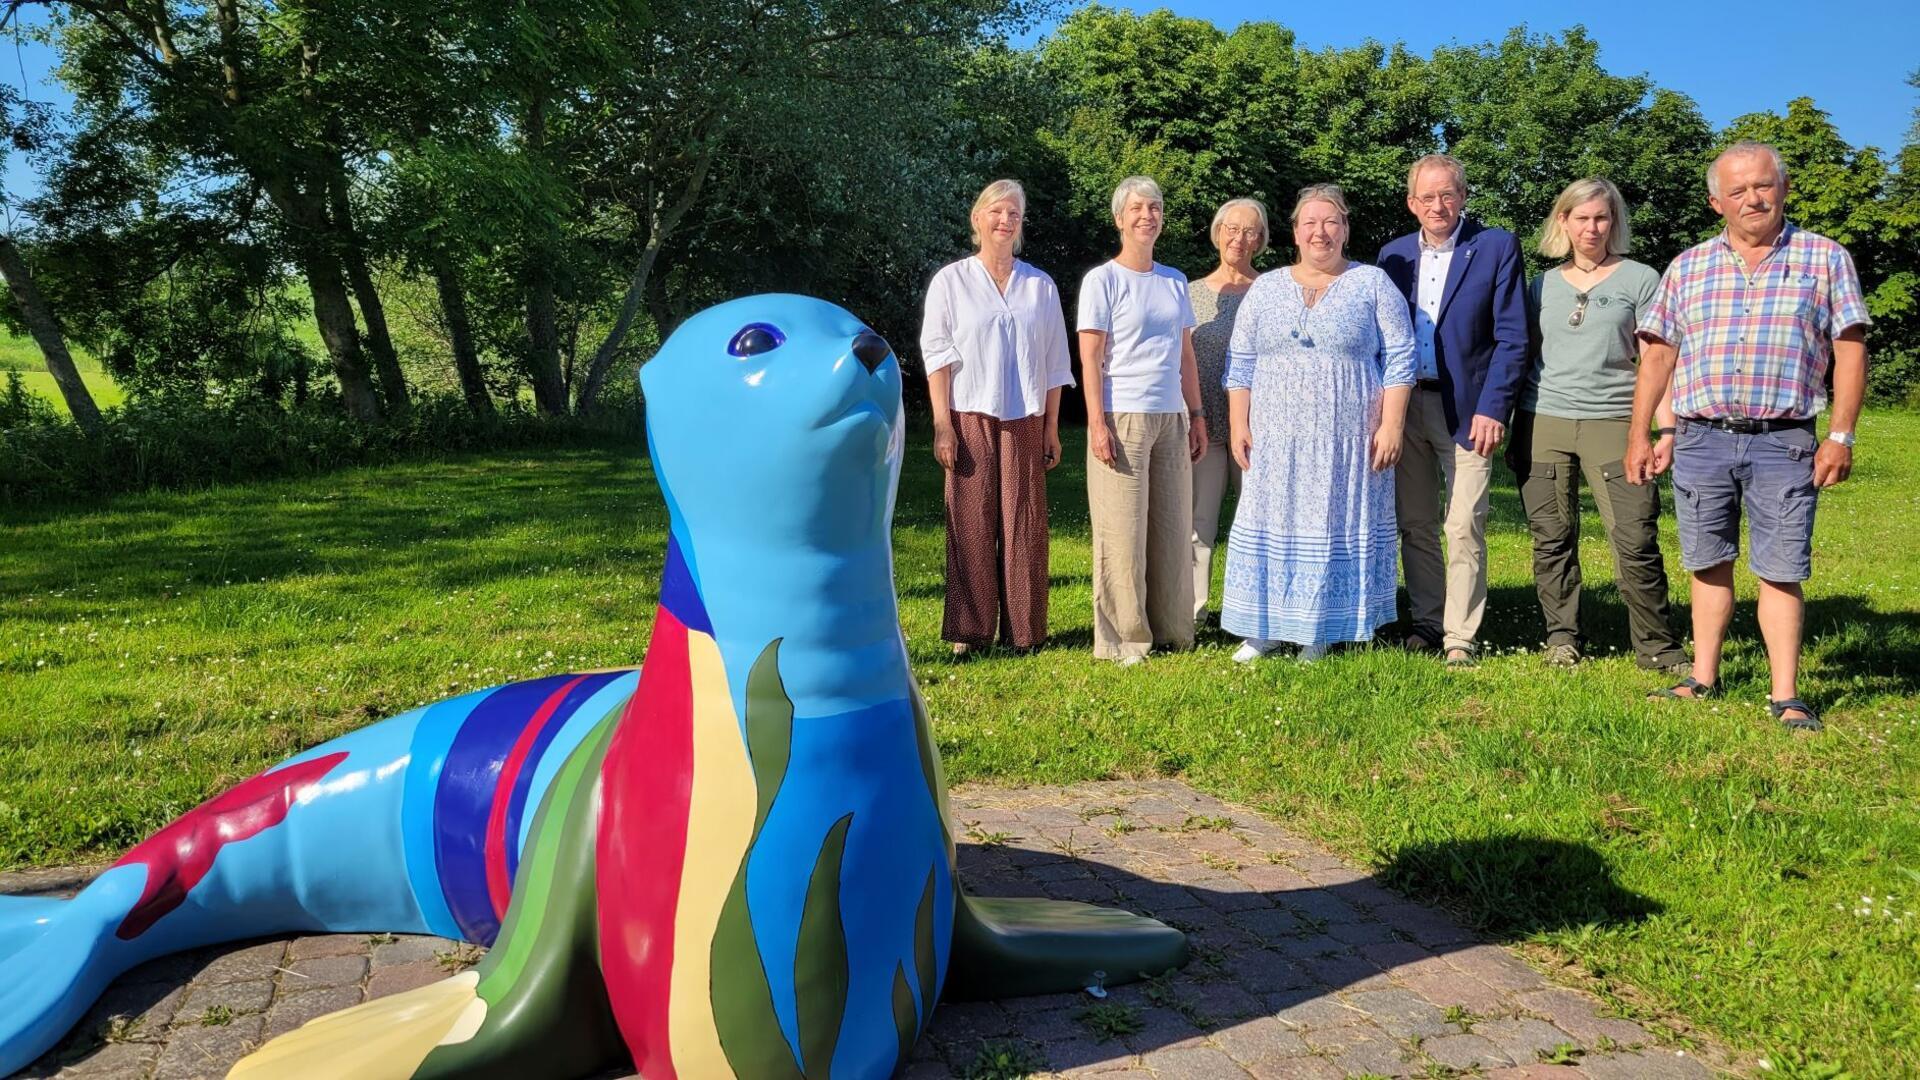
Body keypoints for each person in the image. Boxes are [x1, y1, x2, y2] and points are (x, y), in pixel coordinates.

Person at [1627, 141, 1870, 732]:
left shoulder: (1825, 258)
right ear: (1717, 202)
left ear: (1782, 188)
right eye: (1737, 191)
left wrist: (1841, 435)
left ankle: (1785, 694)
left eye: (1762, 185)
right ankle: (1702, 678)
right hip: (1702, 437)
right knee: (1707, 562)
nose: (1752, 198)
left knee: (1780, 567)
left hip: (1784, 439)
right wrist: (1640, 433)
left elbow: (1850, 348)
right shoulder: (1688, 266)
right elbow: (1658, 356)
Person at [1222, 184, 1415, 662]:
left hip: (1345, 441)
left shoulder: (1371, 283)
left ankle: (1320, 630)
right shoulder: (1266, 288)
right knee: (1268, 522)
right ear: (1294, 232)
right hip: (1276, 439)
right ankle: (1262, 628)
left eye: (1330, 221)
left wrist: (1392, 426)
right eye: (1310, 222)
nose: (1320, 231)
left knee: (1330, 525)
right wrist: (1237, 425)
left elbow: (1401, 358)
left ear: (1345, 229)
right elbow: (1240, 362)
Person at [1510, 178, 1690, 673]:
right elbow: (1521, 352)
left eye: (1601, 218)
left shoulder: (1640, 279)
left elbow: (1660, 360)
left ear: (1615, 222)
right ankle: (1562, 638)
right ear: (1562, 222)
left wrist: (1665, 428)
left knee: (1634, 538)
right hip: (1541, 419)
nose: (1592, 228)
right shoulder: (1541, 285)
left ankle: (1658, 646)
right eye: (1581, 218)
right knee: (1551, 537)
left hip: (1615, 421)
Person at [1378, 153, 1529, 667]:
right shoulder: (1392, 257)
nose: (1437, 205)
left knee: (1463, 522)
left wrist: (1495, 408)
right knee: (1415, 522)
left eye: (1447, 194)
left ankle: (1460, 636)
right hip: (1405, 406)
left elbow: (1512, 337)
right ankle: (1427, 620)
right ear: (1411, 203)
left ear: (1462, 196)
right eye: (1427, 197)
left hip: (1468, 408)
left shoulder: (1495, 246)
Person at [921, 179, 1075, 658]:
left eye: (1014, 214)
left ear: (1021, 224)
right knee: (970, 521)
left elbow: (1054, 360)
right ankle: (969, 632)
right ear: (978, 219)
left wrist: (1051, 426)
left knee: (1023, 524)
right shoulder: (952, 280)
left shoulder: (1039, 285)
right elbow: (936, 355)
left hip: (1026, 417)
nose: (1005, 221)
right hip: (968, 412)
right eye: (996, 212)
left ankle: (1024, 632)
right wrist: (943, 425)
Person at [1078, 175, 1209, 665]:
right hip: (1122, 414)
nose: (1146, 216)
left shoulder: (1174, 280)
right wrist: (1096, 422)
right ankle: (1123, 639)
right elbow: (1089, 359)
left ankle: (1174, 629)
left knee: (1174, 529)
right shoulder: (1103, 280)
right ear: (1119, 218)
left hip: (1171, 415)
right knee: (1122, 532)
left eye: (1154, 207)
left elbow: (1186, 355)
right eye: (1137, 208)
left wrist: (1196, 415)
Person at [1189, 198, 1267, 626]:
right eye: (1232, 229)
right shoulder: (1190, 293)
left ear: (1262, 240)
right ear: (1218, 232)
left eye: (1250, 231)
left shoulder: (1273, 290)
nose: (1240, 238)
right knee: (1199, 523)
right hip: (1203, 424)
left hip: (1258, 427)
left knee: (1254, 524)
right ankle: (1193, 613)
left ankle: (1250, 613)